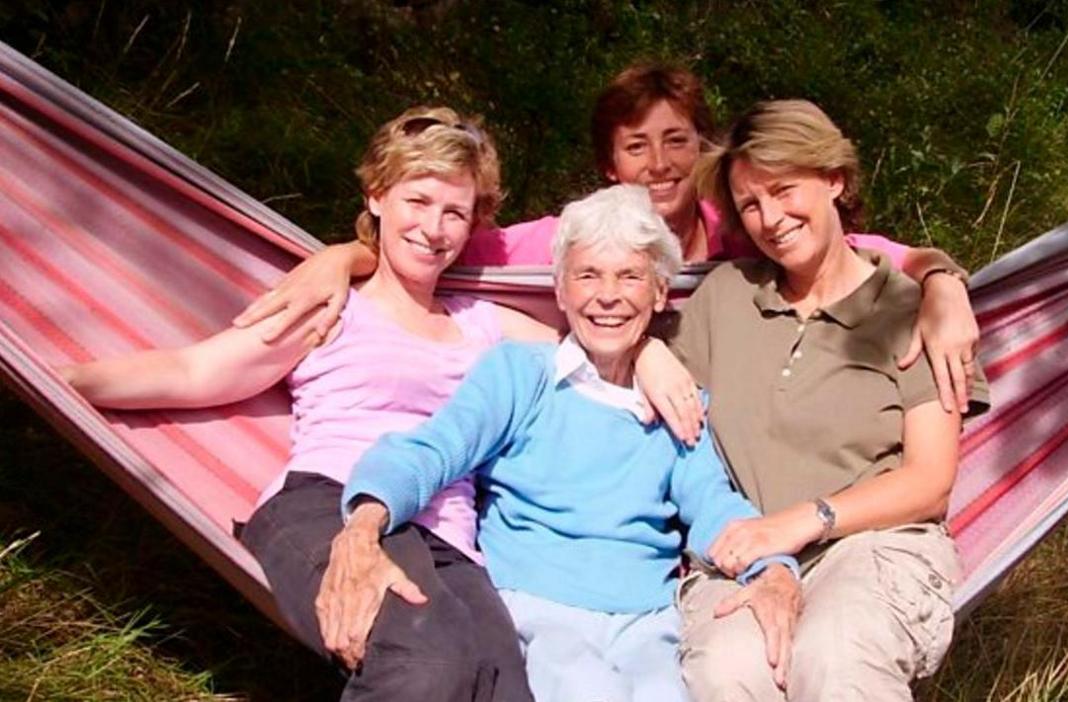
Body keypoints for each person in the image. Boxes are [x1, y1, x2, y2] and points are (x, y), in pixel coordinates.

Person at [58, 107, 691, 702]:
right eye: (417, 200)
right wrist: (63, 377)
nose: (433, 227)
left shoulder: (487, 326)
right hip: (327, 503)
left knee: (502, 684)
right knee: (427, 661)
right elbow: (193, 372)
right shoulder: (333, 306)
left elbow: (594, 337)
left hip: (451, 540)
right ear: (376, 198)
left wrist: (653, 355)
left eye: (454, 212)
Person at [234, 64, 982, 414]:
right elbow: (440, 246)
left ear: (705, 150)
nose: (659, 165)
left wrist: (944, 285)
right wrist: (347, 253)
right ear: (606, 165)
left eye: (677, 141)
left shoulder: (746, 232)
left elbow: (885, 254)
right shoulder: (571, 238)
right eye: (635, 147)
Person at [324, 184, 800, 702]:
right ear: (561, 290)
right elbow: (436, 448)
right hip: (538, 611)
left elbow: (712, 503)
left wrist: (772, 565)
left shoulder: (677, 401)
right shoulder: (522, 375)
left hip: (650, 621)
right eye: (588, 275)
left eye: (630, 276)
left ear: (660, 293)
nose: (608, 296)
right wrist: (366, 519)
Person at [669, 100, 991, 700]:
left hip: (874, 545)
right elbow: (664, 414)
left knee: (837, 657)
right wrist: (647, 354)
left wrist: (803, 521)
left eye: (784, 190)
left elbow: (931, 482)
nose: (770, 218)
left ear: (834, 179)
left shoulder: (909, 310)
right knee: (727, 670)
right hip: (744, 546)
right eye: (750, 205)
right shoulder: (725, 298)